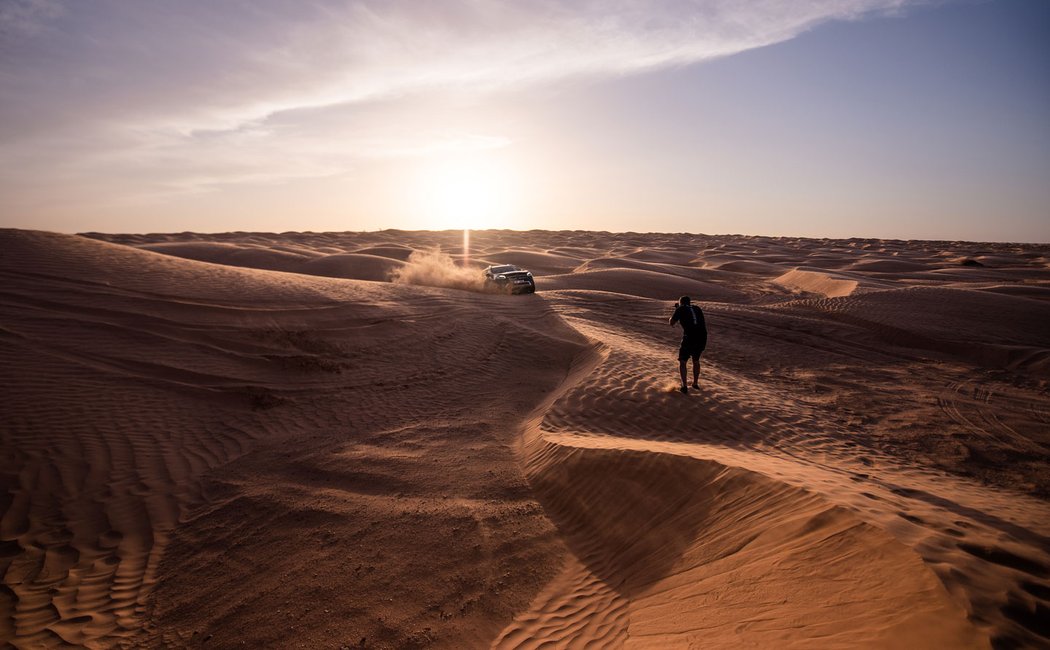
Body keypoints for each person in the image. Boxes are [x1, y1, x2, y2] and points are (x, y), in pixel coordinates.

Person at [668, 295, 707, 394]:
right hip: (702, 337)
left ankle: (684, 386)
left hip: (690, 337)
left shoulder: (680, 309)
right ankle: (695, 383)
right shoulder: (697, 308)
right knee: (696, 360)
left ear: (680, 302)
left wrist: (677, 310)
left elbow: (672, 322)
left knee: (683, 361)